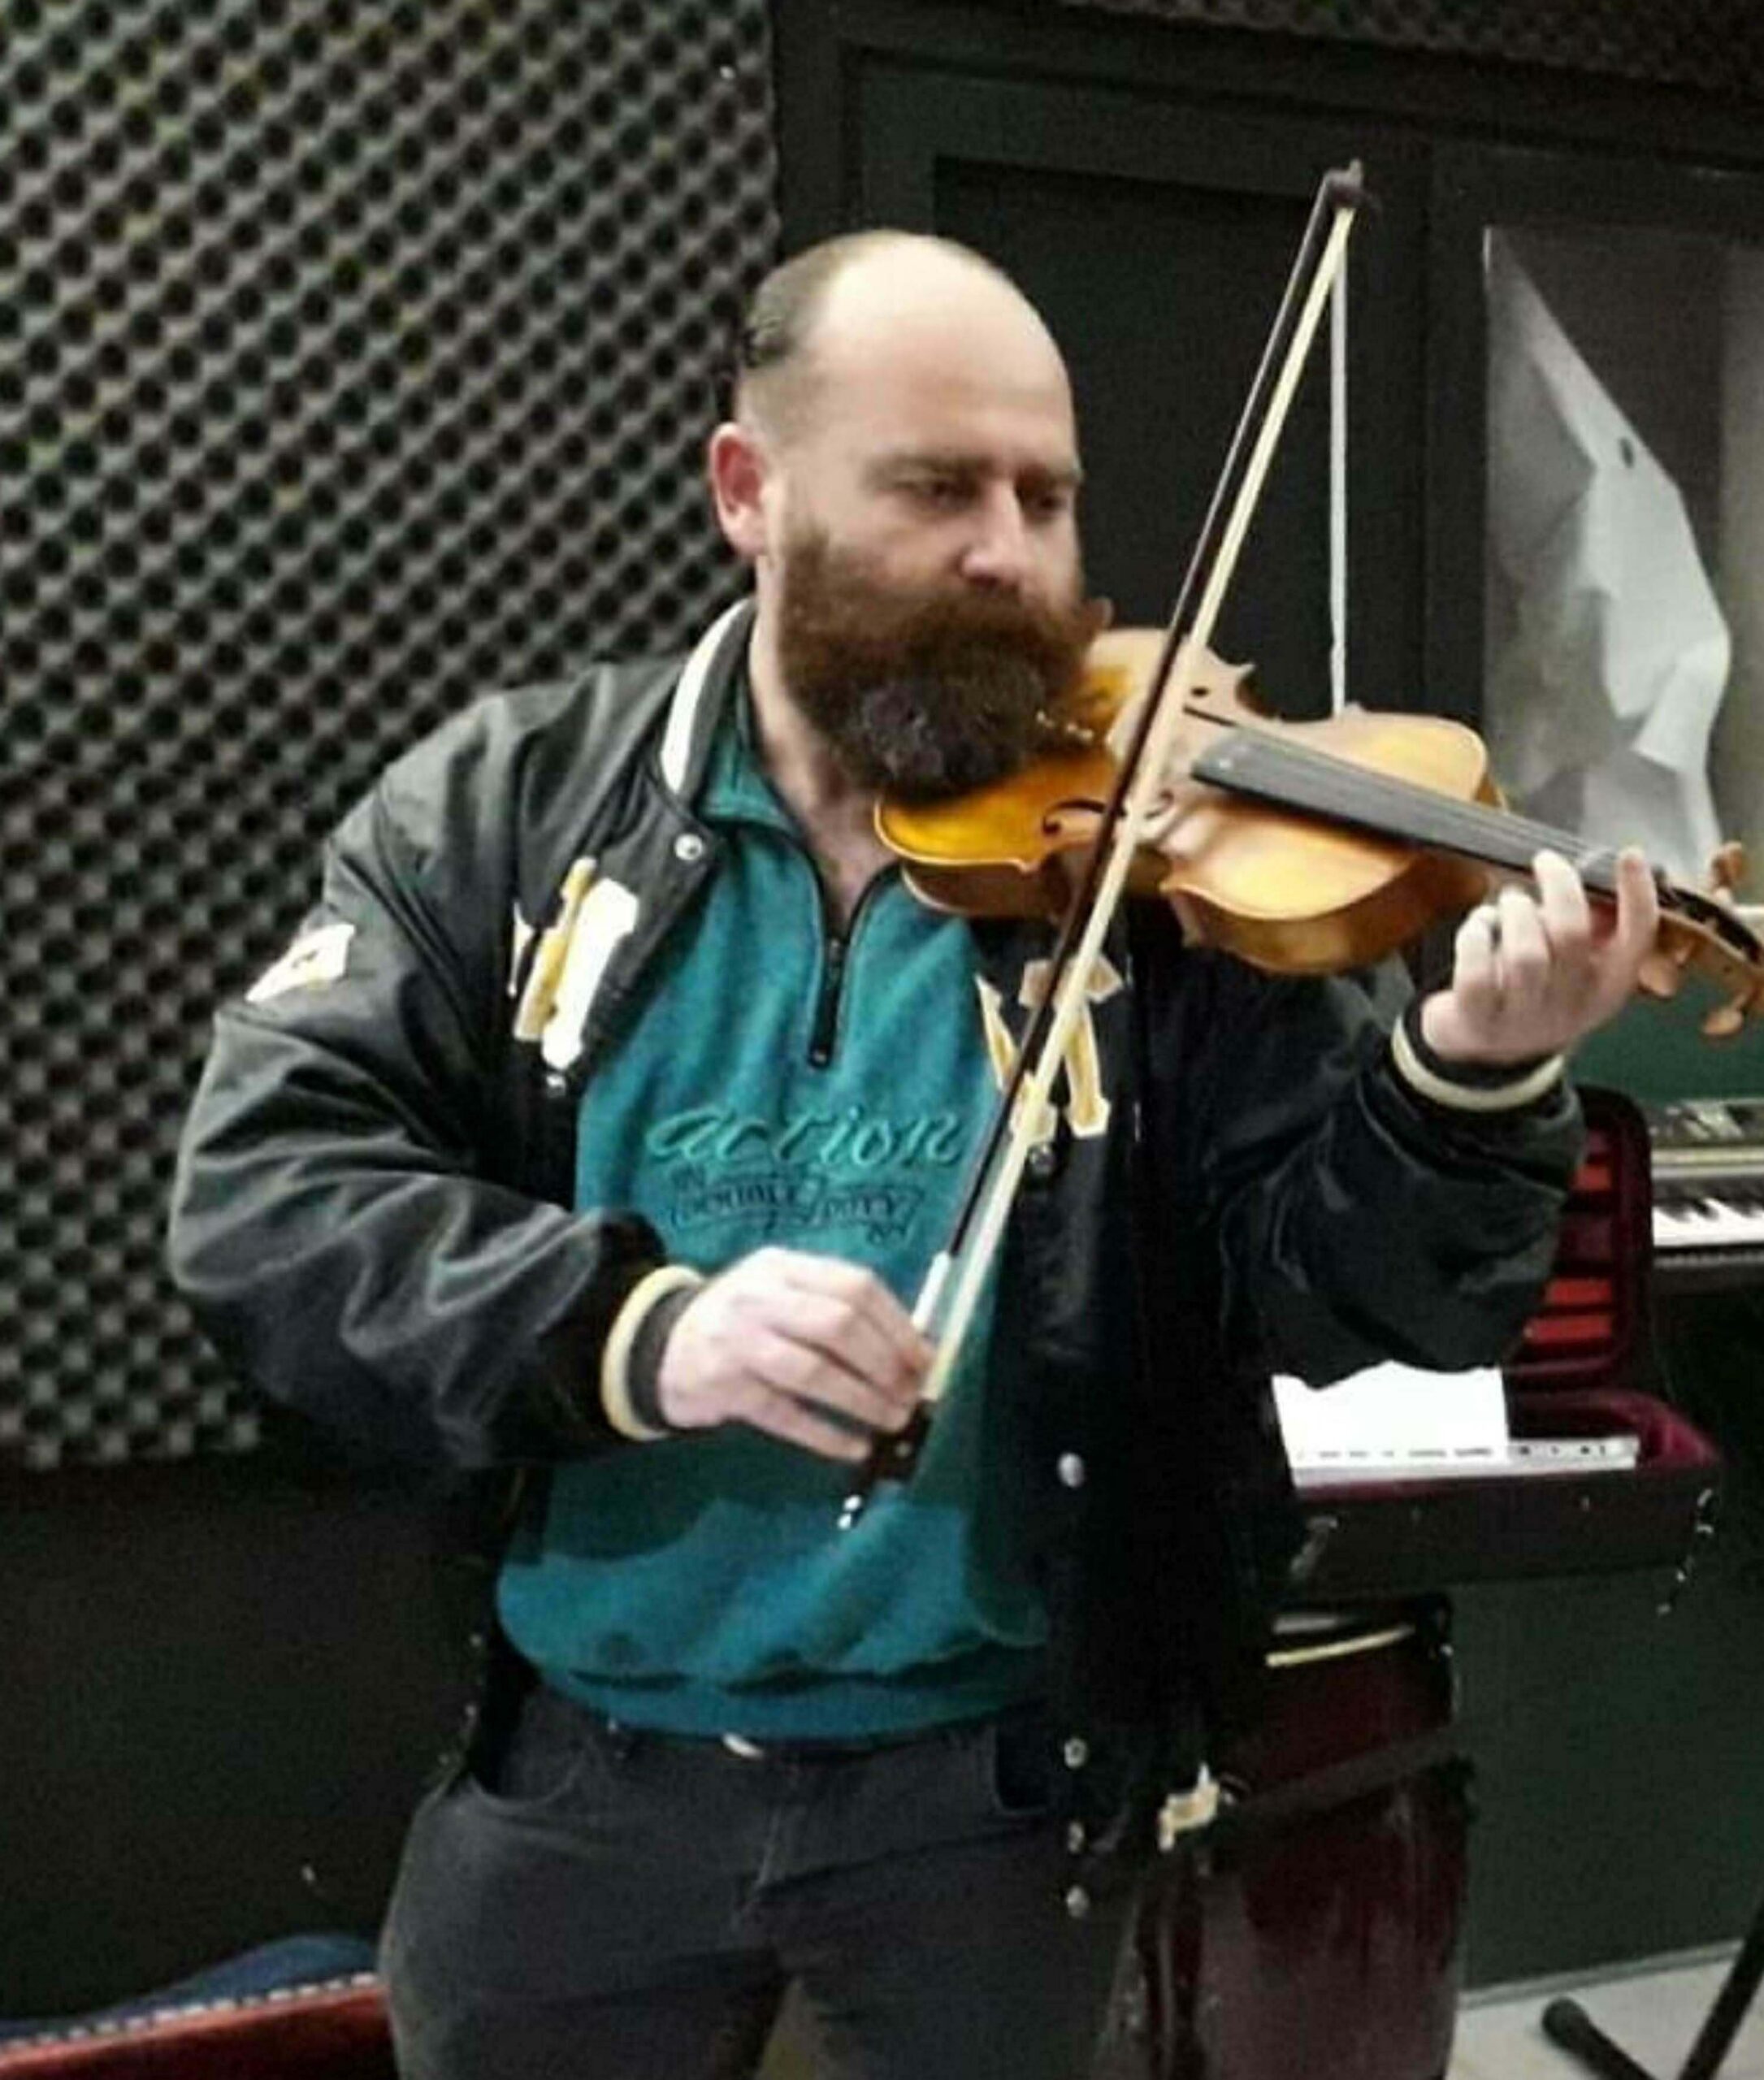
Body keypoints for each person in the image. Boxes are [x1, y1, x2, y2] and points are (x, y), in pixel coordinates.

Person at [167, 229, 1659, 2080]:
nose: (1011, 556)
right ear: (750, 490)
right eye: (939, 488)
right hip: (578, 1789)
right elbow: (269, 1198)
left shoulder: (1162, 866)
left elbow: (1354, 1297)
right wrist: (637, 1330)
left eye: (1048, 496)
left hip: (995, 1800)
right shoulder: (502, 811)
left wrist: (1469, 1082)